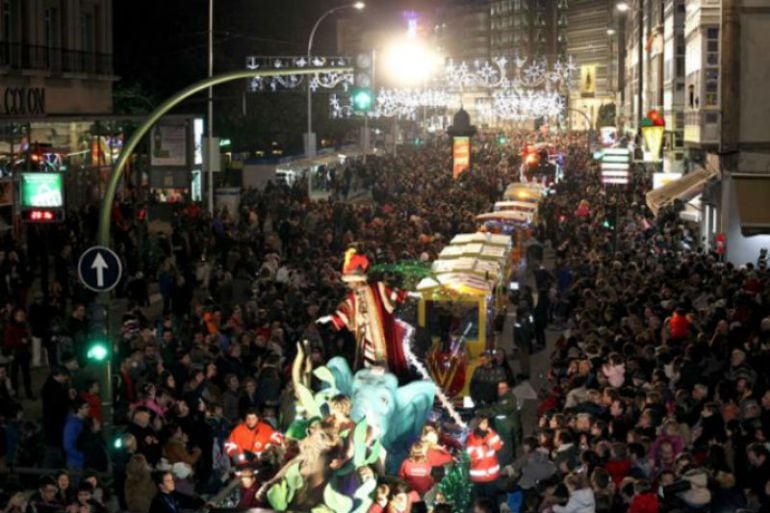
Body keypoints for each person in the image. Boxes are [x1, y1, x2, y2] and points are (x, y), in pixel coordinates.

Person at [317, 248, 410, 375]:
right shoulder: (353, 296)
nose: (348, 284)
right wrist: (330, 318)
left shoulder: (377, 288)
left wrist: (409, 294)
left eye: (349, 281)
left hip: (380, 338)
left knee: (383, 365)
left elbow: (396, 295)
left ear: (356, 279)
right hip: (365, 340)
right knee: (368, 366)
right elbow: (345, 311)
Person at [467, 415, 503, 502]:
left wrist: (491, 434)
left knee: (492, 500)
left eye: (486, 422)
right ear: (477, 424)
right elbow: (472, 453)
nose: (486, 425)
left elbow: (498, 446)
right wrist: (483, 446)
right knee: (481, 500)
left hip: (491, 475)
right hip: (478, 476)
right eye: (483, 423)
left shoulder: (491, 434)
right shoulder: (471, 437)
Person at [41, 366, 71, 467]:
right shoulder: (54, 388)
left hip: (52, 424)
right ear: (60, 375)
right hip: (55, 425)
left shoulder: (49, 386)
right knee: (53, 451)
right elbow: (59, 405)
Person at [4, 307, 33, 399]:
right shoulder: (10, 328)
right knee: (14, 375)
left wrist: (27, 341)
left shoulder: (24, 326)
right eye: (20, 315)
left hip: (24, 353)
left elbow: (28, 339)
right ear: (15, 316)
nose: (22, 317)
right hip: (15, 353)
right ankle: (15, 393)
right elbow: (7, 342)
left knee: (26, 374)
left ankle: (28, 393)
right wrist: (21, 342)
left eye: (23, 315)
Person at [62, 399, 90, 469]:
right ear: (79, 409)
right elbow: (67, 445)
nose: (89, 409)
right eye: (86, 407)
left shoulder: (81, 422)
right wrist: (80, 456)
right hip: (75, 463)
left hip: (79, 461)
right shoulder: (72, 424)